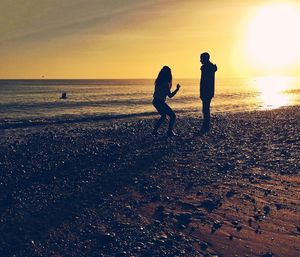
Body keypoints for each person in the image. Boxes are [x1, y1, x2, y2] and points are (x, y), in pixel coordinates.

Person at [152, 66, 181, 137]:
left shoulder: (158, 81)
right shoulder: (165, 83)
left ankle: (155, 130)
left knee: (163, 116)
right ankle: (169, 132)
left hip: (155, 101)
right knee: (173, 116)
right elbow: (170, 96)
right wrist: (177, 89)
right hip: (160, 102)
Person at [200, 52, 217, 132]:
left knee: (205, 109)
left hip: (206, 91)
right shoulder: (210, 67)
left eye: (201, 58)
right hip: (209, 91)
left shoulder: (205, 68)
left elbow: (203, 82)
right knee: (206, 108)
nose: (200, 60)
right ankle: (206, 125)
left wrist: (202, 92)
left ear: (205, 59)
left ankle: (206, 126)